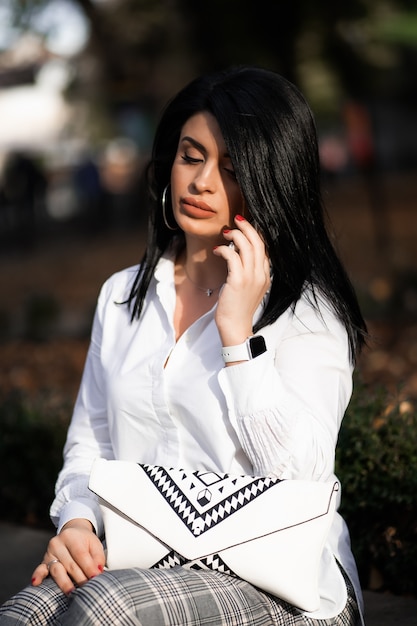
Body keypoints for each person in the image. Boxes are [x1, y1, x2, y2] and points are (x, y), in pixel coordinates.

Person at [0, 66, 367, 625]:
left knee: (107, 607)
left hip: (281, 586)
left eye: (233, 168)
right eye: (191, 156)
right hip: (139, 557)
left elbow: (304, 479)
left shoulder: (307, 314)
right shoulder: (122, 296)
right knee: (28, 611)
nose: (202, 182)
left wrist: (238, 337)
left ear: (272, 181)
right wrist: (76, 523)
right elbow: (90, 445)